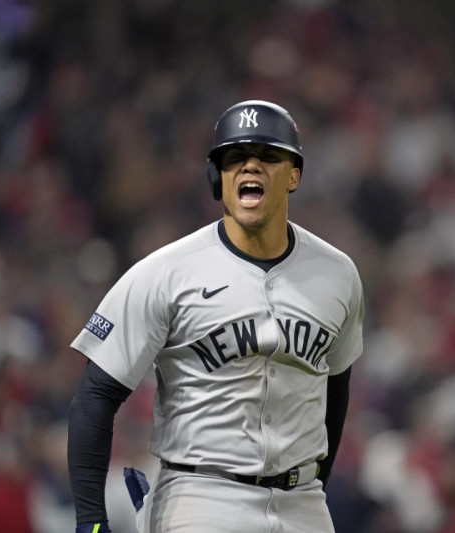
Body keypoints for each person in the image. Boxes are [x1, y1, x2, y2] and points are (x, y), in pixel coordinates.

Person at [67, 100, 365, 533]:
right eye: (234, 158)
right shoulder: (166, 272)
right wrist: (91, 523)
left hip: (304, 505)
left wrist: (315, 483)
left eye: (267, 156)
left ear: (294, 174)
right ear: (216, 177)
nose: (250, 167)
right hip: (201, 500)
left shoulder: (338, 274)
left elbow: (336, 388)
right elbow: (95, 396)